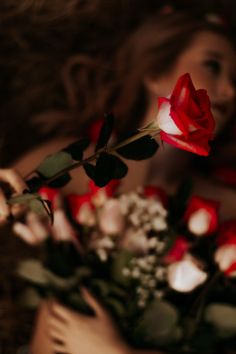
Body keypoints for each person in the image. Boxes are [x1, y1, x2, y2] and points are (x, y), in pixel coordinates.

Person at [0, 6, 236, 354]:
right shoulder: (75, 161)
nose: (229, 90)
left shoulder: (228, 207)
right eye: (212, 65)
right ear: (155, 71)